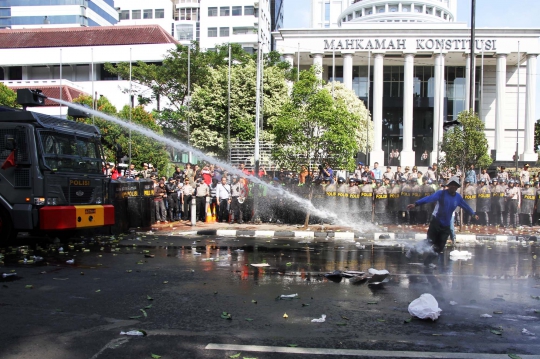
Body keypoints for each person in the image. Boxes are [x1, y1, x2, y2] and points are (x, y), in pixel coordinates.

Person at [407, 176, 478, 267]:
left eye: (455, 185)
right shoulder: (441, 193)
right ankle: (412, 250)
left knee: (439, 247)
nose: (453, 187)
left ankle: (427, 263)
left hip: (446, 225)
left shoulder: (458, 197)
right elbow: (429, 198)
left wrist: (473, 214)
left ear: (457, 187)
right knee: (430, 241)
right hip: (436, 222)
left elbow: (466, 206)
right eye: (451, 185)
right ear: (448, 186)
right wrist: (416, 204)